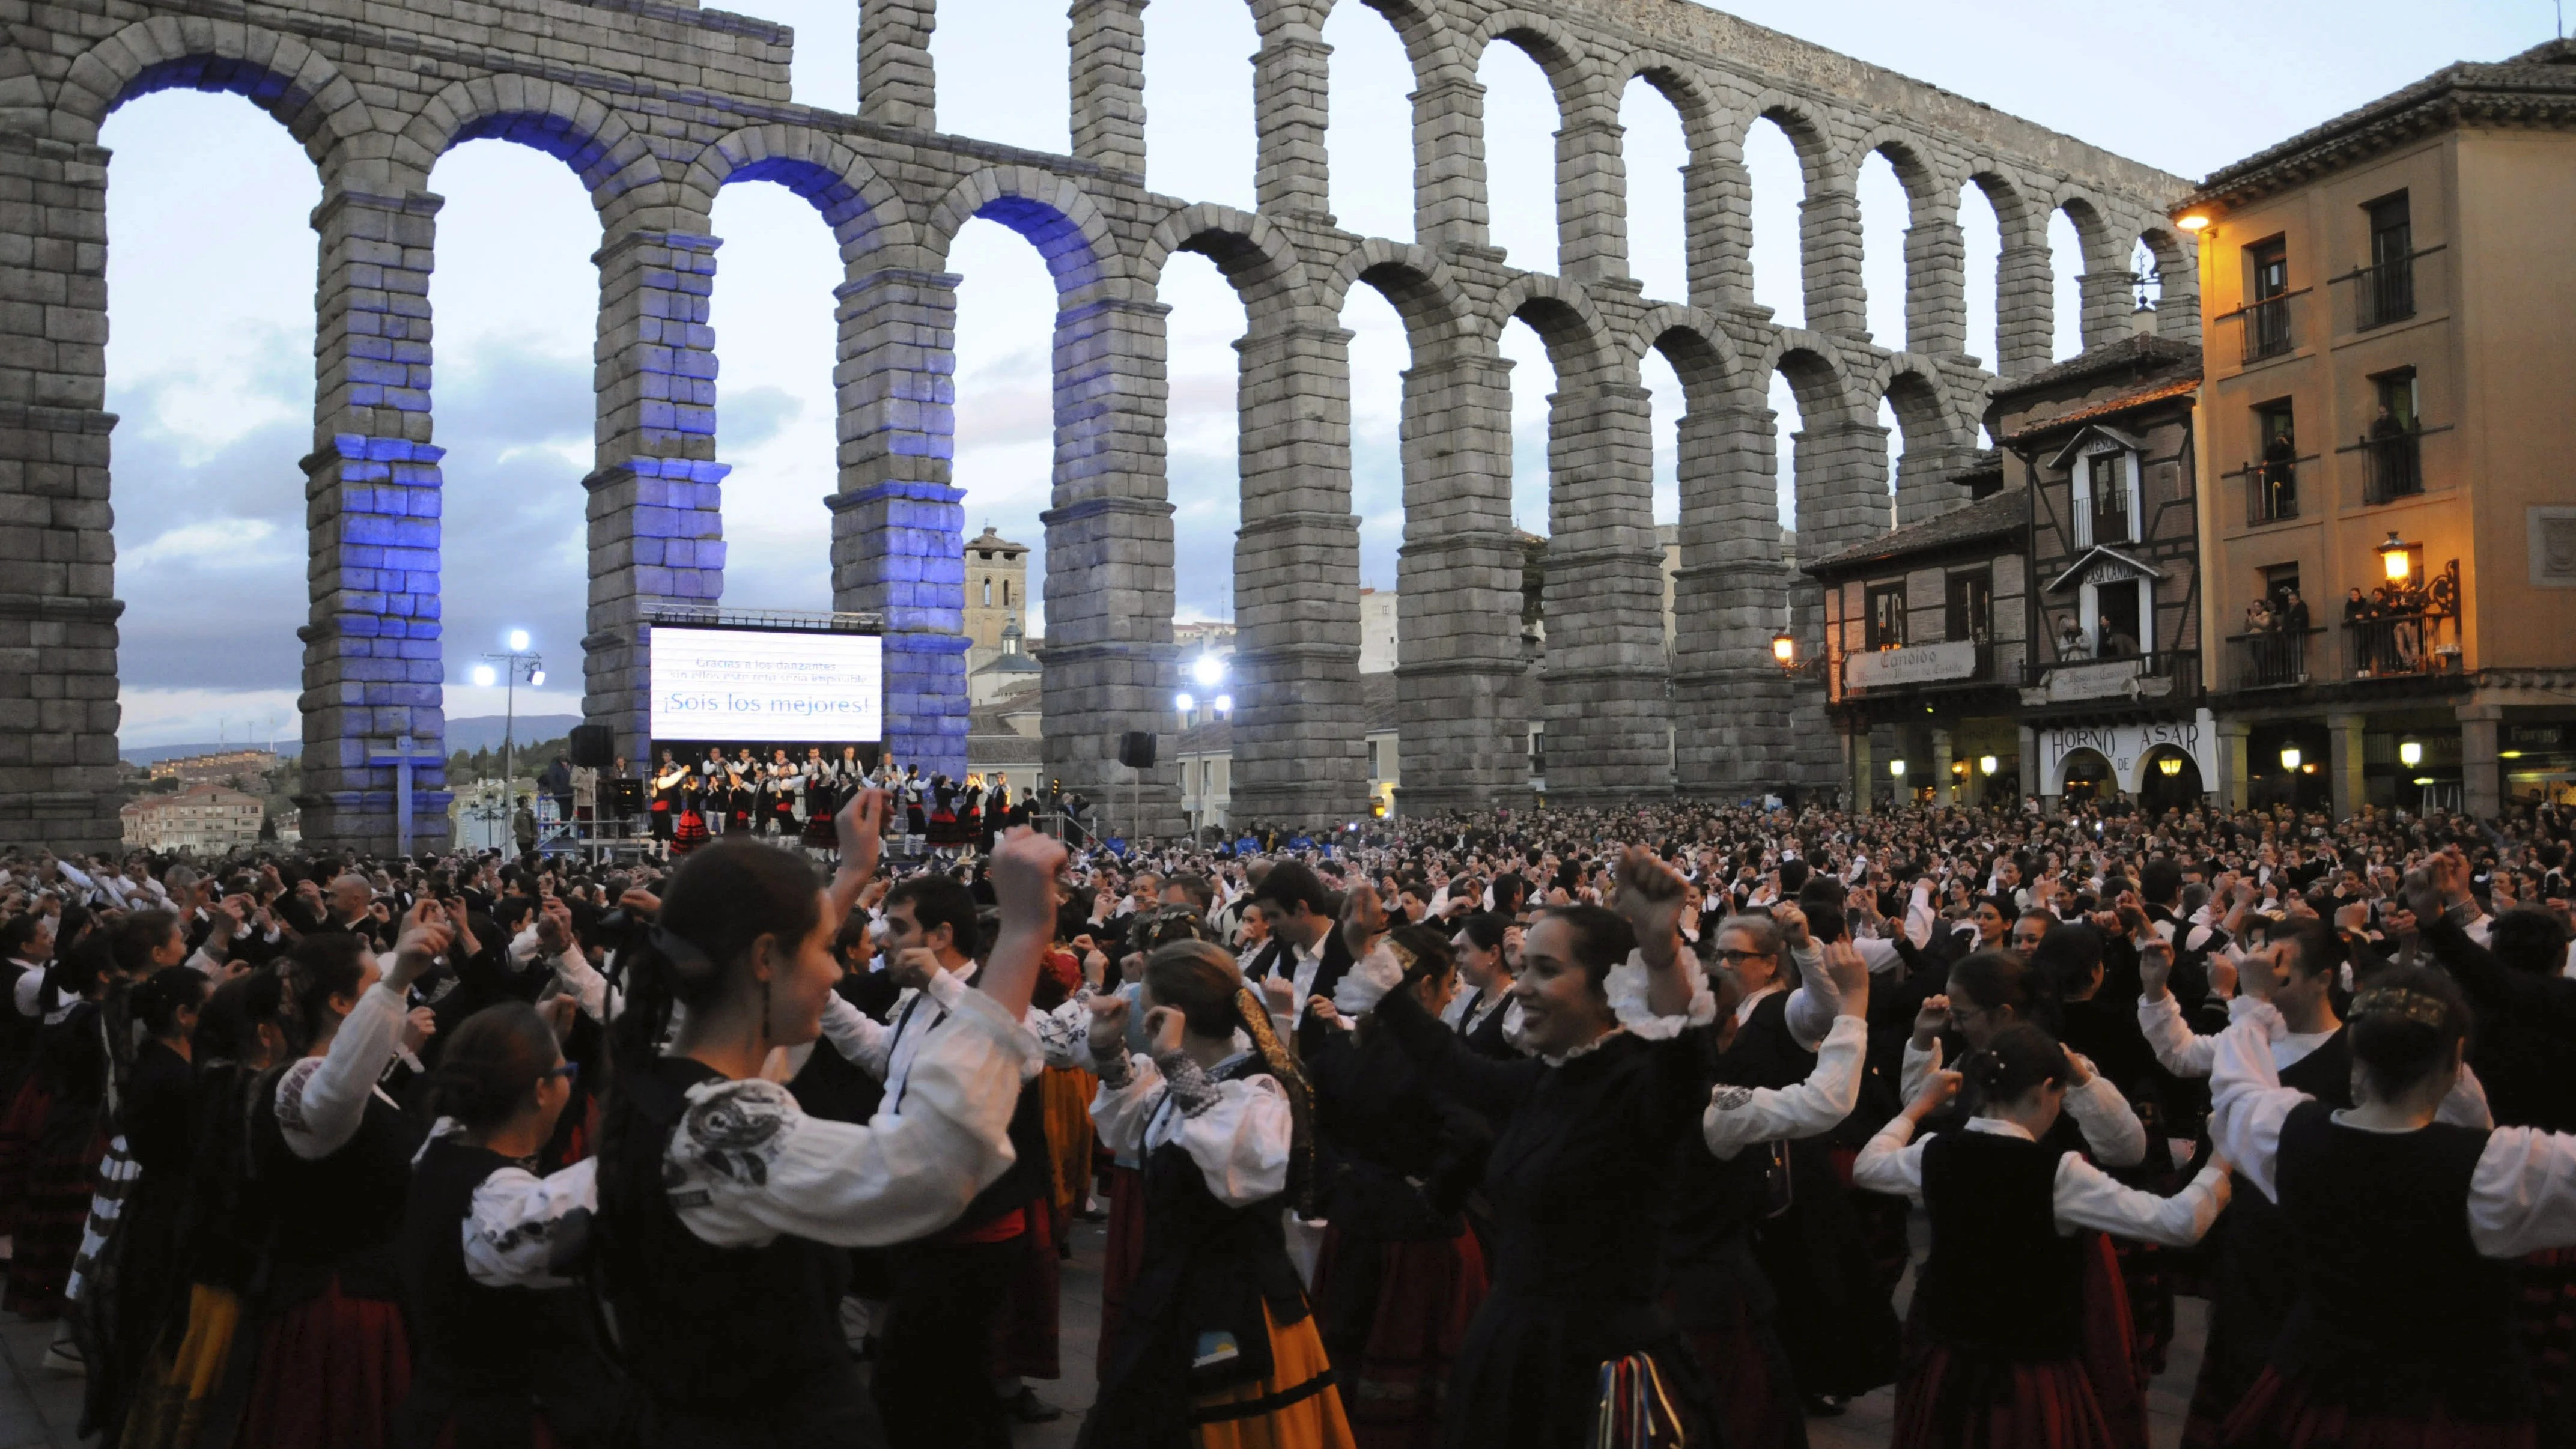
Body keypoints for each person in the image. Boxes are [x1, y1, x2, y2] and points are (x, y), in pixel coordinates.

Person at [592, 791, 1062, 1449]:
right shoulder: (720, 1131)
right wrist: (1023, 934)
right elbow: (927, 1166)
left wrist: (851, 872)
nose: (839, 969)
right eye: (825, 949)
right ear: (763, 960)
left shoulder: (670, 1096)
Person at [1330, 850, 1723, 1448]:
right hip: (1518, 1352)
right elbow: (1446, 1062)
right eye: (1524, 968)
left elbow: (1684, 1056)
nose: (1524, 990)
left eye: (1544, 970)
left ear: (1606, 989)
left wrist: (1660, 944)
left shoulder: (1638, 1088)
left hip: (1592, 1375)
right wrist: (1369, 952)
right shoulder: (1550, 1078)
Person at [2208, 964, 2576, 1447]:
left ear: (2356, 1052)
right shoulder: (2502, 1170)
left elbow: (2237, 1088)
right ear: (2457, 1057)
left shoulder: (2289, 1135)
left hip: (2316, 1395)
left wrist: (2253, 1005)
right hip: (2450, 1414)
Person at [1855, 1024, 2231, 1449]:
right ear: (2049, 1088)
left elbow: (1868, 1167)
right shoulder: (2057, 1174)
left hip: (1948, 1362)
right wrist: (2223, 1157)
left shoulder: (1935, 1151)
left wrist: (1917, 1108)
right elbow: (2180, 1223)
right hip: (2026, 1375)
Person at [1081, 938, 1356, 1449]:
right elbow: (1128, 1129)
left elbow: (1244, 1171)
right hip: (1171, 1292)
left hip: (1235, 1306)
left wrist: (1177, 1063)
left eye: (1147, 1007)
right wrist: (1107, 1050)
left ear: (1174, 1015)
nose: (1140, 1015)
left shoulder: (1255, 1088)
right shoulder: (1181, 1087)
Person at [235, 905, 451, 1449]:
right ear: (339, 1003)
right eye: (374, 985)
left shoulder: (347, 1077)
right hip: (341, 1310)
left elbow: (356, 1068)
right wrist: (397, 980)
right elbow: (337, 1088)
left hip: (371, 1292)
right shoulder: (302, 1083)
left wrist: (396, 956)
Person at [396, 1001, 621, 1449]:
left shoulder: (441, 1147)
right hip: (505, 1423)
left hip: (448, 1407)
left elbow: (521, 1134)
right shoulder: (496, 1202)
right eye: (565, 1074)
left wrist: (534, 1038)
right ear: (541, 1091)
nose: (570, 1084)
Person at [1302, 924, 1490, 1449]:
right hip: (1421, 1245)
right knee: (1417, 1381)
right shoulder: (1437, 1055)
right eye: (1450, 984)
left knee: (1352, 1356)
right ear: (1426, 988)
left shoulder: (1345, 1048)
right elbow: (1474, 1135)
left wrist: (1342, 1188)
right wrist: (1436, 1198)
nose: (1453, 995)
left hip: (1356, 1227)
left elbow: (1310, 1124)